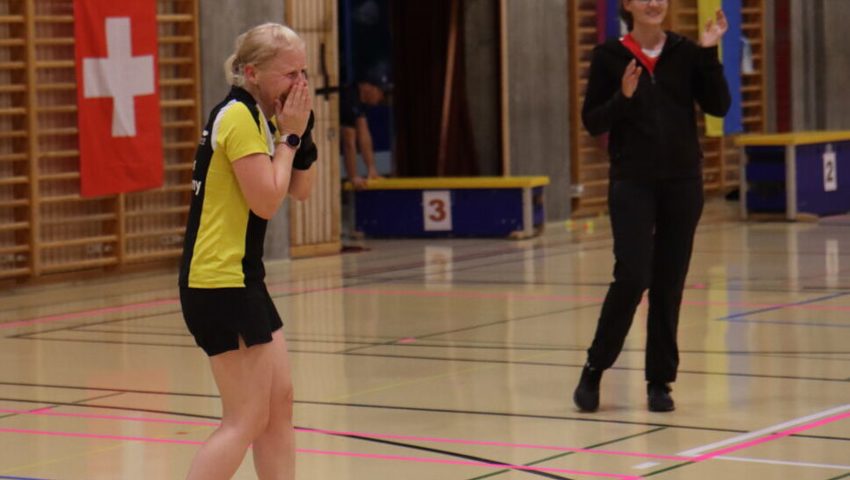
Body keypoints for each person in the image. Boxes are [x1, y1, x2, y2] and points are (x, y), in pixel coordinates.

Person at [573, 0, 731, 413]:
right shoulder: (609, 56)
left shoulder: (686, 53)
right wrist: (624, 98)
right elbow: (593, 121)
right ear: (627, 4)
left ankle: (659, 381)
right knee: (632, 276)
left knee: (669, 282)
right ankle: (594, 367)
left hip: (683, 182)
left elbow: (720, 106)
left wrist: (710, 51)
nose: (654, 3)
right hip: (632, 182)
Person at [178, 23, 316, 479]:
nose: (299, 84)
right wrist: (289, 138)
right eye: (289, 74)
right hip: (219, 281)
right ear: (252, 72)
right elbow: (267, 199)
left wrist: (303, 137)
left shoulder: (261, 116)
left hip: (244, 278)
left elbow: (299, 190)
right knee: (246, 418)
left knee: (279, 406)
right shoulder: (236, 115)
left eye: (304, 72)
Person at [340, 66, 391, 189]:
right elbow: (348, 142)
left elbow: (364, 136)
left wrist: (371, 169)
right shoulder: (349, 99)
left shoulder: (359, 102)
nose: (381, 97)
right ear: (368, 87)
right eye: (380, 92)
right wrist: (353, 176)